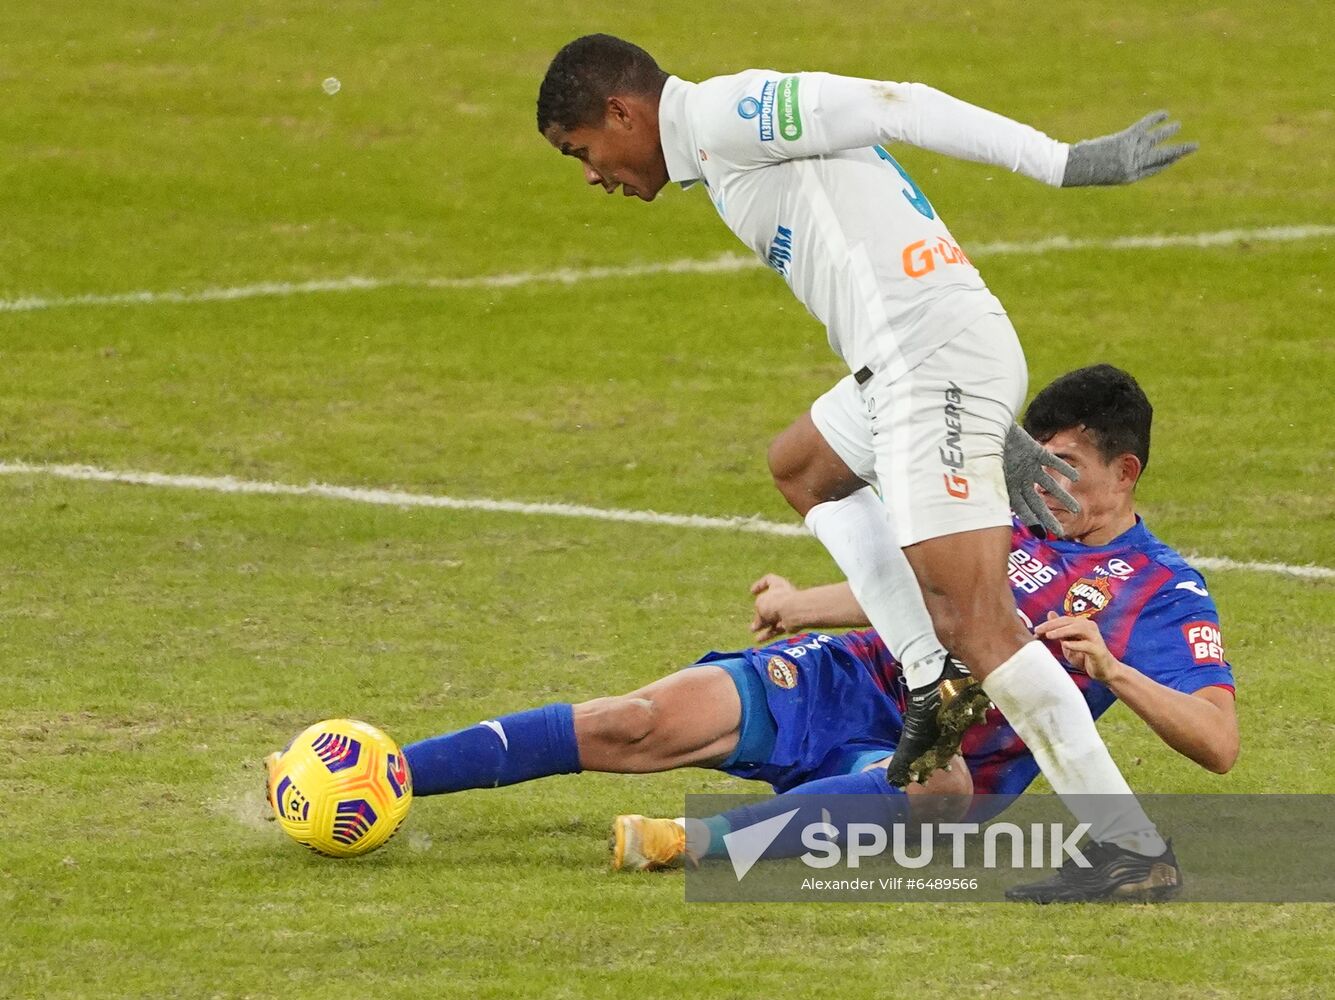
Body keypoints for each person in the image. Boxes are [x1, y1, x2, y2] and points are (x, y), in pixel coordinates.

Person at [536, 35, 1197, 884]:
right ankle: (930, 682)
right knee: (803, 468)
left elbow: (900, 102)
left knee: (980, 624)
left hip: (928, 367)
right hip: (909, 369)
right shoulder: (716, 152)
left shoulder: (731, 114)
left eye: (581, 151)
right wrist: (987, 424)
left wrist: (1063, 162)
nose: (592, 175)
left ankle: (1130, 848)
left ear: (622, 113)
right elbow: (881, 255)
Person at [277, 368, 1237, 900]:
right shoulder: (1007, 516)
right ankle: (389, 774)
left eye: (1065, 465)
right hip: (854, 679)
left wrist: (1111, 668)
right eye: (1038, 462)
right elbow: (920, 594)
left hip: (951, 761)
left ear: (1126, 472)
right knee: (635, 721)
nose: (1045, 484)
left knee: (934, 790)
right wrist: (803, 603)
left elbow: (1217, 742)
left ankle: (695, 844)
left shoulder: (1164, 591)